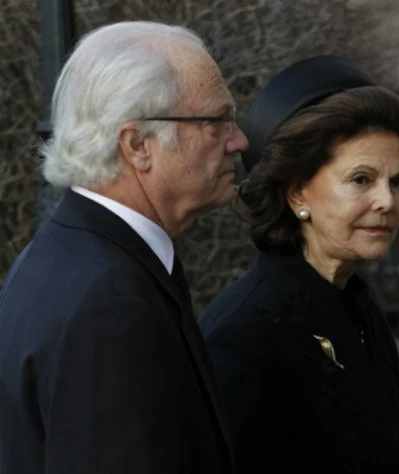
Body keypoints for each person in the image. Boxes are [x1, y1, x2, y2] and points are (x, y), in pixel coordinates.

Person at [0, 21, 248, 474]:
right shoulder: (110, 304)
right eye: (217, 121)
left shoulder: (69, 260)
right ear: (138, 146)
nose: (238, 140)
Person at [199, 55, 399, 474]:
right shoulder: (244, 333)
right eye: (361, 179)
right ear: (296, 193)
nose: (387, 201)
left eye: (397, 182)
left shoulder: (358, 308)